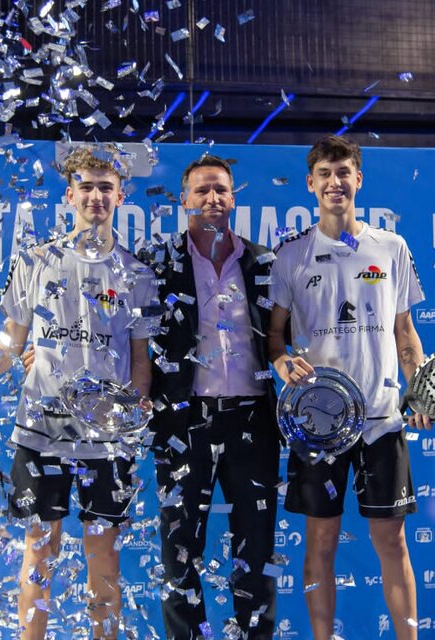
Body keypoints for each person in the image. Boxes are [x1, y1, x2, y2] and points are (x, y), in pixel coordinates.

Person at [0, 145, 157, 640]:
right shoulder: (35, 261)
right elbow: (11, 346)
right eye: (87, 186)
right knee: (41, 547)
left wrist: (131, 417)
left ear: (122, 194)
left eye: (105, 186)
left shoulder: (138, 274)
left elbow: (141, 363)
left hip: (106, 438)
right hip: (40, 431)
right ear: (69, 193)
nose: (96, 195)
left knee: (102, 551)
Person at [267, 135, 432, 640]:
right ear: (310, 184)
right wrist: (280, 362)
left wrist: (420, 389)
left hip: (383, 420)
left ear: (358, 180)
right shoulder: (290, 256)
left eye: (344, 173)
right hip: (319, 427)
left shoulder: (392, 247)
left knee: (393, 542)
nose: (335, 182)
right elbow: (274, 334)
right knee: (320, 541)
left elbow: (405, 332)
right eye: (325, 174)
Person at [146, 154, 280, 639]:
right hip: (183, 421)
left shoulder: (264, 261)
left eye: (221, 190)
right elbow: (119, 331)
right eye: (201, 190)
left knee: (257, 551)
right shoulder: (155, 262)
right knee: (179, 551)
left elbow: (291, 336)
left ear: (233, 198)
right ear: (183, 200)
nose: (212, 199)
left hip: (253, 423)